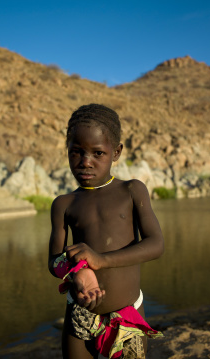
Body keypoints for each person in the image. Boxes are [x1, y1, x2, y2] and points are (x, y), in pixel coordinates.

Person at [48, 104, 165, 359]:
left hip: (127, 316)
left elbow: (156, 244)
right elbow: (54, 263)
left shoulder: (132, 191)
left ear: (116, 152)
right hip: (80, 313)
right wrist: (77, 273)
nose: (85, 162)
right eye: (76, 152)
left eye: (98, 153)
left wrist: (102, 260)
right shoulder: (63, 204)